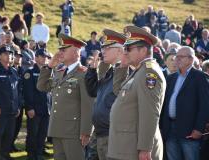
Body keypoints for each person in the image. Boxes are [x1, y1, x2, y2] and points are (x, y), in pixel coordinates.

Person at [108, 26, 166, 160]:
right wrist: (122, 67)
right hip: (126, 147)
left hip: (134, 149)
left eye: (128, 49)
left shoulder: (148, 73)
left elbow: (150, 113)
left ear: (143, 50)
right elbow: (118, 92)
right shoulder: (139, 71)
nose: (125, 52)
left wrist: (145, 148)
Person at [37, 33, 94, 160]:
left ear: (75, 53)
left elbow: (88, 104)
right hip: (57, 128)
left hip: (74, 132)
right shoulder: (59, 72)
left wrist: (86, 131)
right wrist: (49, 66)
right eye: (60, 50)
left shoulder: (83, 74)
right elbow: (42, 86)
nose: (60, 53)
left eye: (64, 50)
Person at [85, 29, 127, 160]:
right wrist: (92, 71)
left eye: (108, 48)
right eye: (103, 47)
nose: (103, 51)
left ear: (120, 51)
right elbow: (92, 91)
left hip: (112, 134)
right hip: (99, 132)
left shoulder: (125, 72)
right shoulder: (110, 72)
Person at [161, 46, 209, 160]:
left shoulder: (200, 77)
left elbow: (205, 105)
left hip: (189, 130)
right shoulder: (171, 78)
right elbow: (165, 103)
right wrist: (162, 126)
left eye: (180, 57)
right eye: (176, 57)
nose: (177, 59)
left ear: (191, 60)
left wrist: (199, 129)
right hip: (170, 129)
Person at [0, 45, 20, 160]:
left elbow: (17, 91)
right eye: (6, 53)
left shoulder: (14, 72)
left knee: (9, 135)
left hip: (12, 109)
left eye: (10, 54)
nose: (9, 56)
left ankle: (5, 154)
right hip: (0, 110)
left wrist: (18, 106)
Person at [23, 48, 51, 160]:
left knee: (42, 134)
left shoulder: (49, 72)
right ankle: (31, 154)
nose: (45, 58)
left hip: (46, 109)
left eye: (46, 57)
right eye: (42, 56)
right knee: (33, 134)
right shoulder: (29, 72)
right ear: (36, 58)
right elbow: (27, 92)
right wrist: (29, 108)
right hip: (34, 109)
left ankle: (39, 154)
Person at [11, 49, 24, 153]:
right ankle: (7, 146)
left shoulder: (23, 70)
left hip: (20, 102)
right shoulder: (9, 69)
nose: (18, 58)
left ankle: (11, 144)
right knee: (11, 126)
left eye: (20, 56)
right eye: (16, 56)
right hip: (11, 103)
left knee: (18, 125)